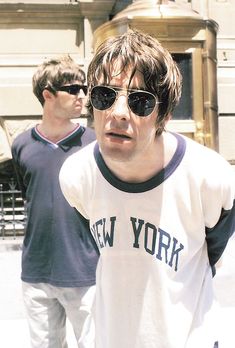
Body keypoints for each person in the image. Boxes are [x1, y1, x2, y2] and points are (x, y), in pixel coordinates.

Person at [59, 30, 235, 348]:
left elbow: (213, 252)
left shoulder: (209, 178)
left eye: (140, 101)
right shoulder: (77, 176)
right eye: (105, 96)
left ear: (163, 115)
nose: (118, 112)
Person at [11, 55, 99, 348]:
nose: (83, 96)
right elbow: (31, 197)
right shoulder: (21, 145)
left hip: (85, 270)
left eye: (84, 88)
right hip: (37, 271)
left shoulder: (94, 144)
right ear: (48, 95)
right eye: (74, 89)